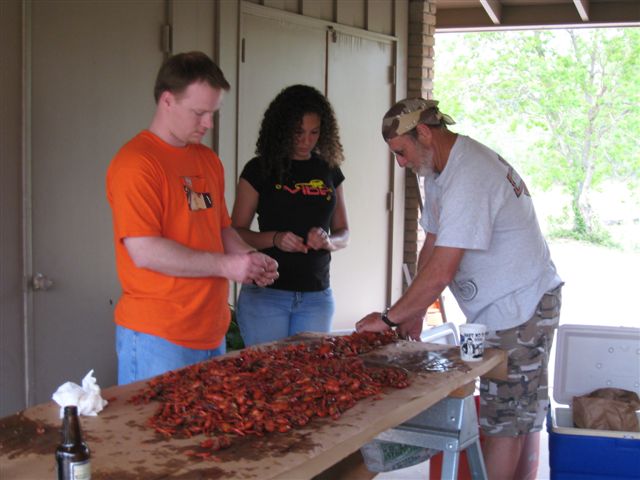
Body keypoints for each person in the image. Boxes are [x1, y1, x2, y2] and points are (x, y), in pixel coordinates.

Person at [356, 98, 563, 480]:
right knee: (511, 413)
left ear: (423, 133)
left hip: (522, 306)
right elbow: (431, 244)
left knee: (506, 422)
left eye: (401, 152)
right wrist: (413, 312)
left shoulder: (469, 175)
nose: (400, 163)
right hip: (499, 305)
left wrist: (388, 319)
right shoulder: (436, 172)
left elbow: (441, 272)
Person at [106, 51, 278, 385]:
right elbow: (144, 251)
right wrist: (227, 267)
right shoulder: (136, 163)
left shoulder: (207, 160)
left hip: (210, 330)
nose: (208, 124)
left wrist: (248, 258)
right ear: (167, 101)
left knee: (201, 436)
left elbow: (220, 229)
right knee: (157, 437)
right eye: (199, 112)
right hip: (158, 335)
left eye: (213, 113)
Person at [231, 85, 349, 346]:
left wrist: (328, 241)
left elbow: (344, 233)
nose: (307, 140)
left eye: (314, 132)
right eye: (298, 132)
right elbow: (236, 231)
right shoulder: (259, 169)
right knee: (268, 380)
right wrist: (275, 238)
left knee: (309, 379)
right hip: (266, 295)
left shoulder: (328, 169)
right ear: (282, 130)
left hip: (316, 296)